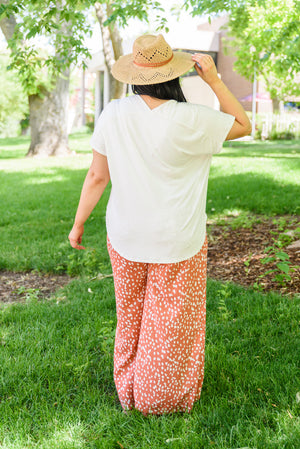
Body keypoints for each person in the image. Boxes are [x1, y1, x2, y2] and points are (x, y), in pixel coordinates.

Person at [68, 34, 251, 416]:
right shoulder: (192, 119)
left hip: (125, 236)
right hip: (177, 240)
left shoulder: (113, 114)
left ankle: (130, 393)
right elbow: (242, 124)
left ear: (135, 75)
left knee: (131, 315)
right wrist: (215, 80)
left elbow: (96, 177)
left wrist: (78, 223)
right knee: (168, 325)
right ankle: (159, 399)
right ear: (174, 76)